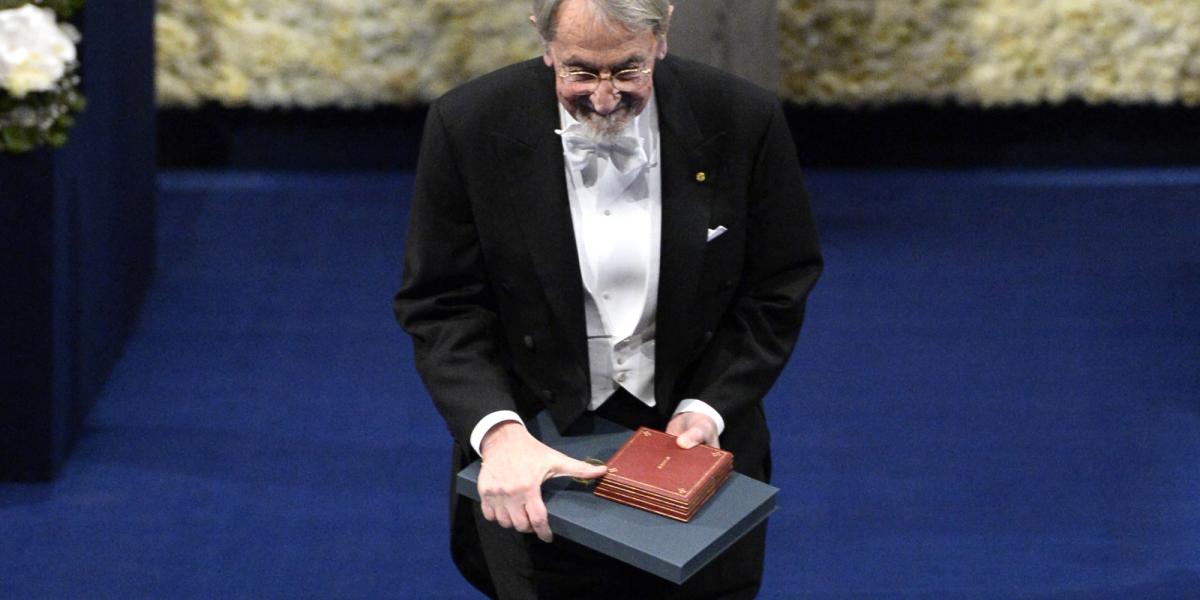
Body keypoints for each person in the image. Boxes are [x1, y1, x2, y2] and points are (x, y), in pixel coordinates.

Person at [394, 0, 821, 597]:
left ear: (662, 36)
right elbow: (441, 303)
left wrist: (709, 407)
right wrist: (497, 433)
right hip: (537, 442)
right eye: (580, 71)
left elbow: (777, 285)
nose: (602, 98)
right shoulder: (468, 123)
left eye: (627, 70)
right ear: (545, 44)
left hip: (695, 432)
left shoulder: (743, 117)